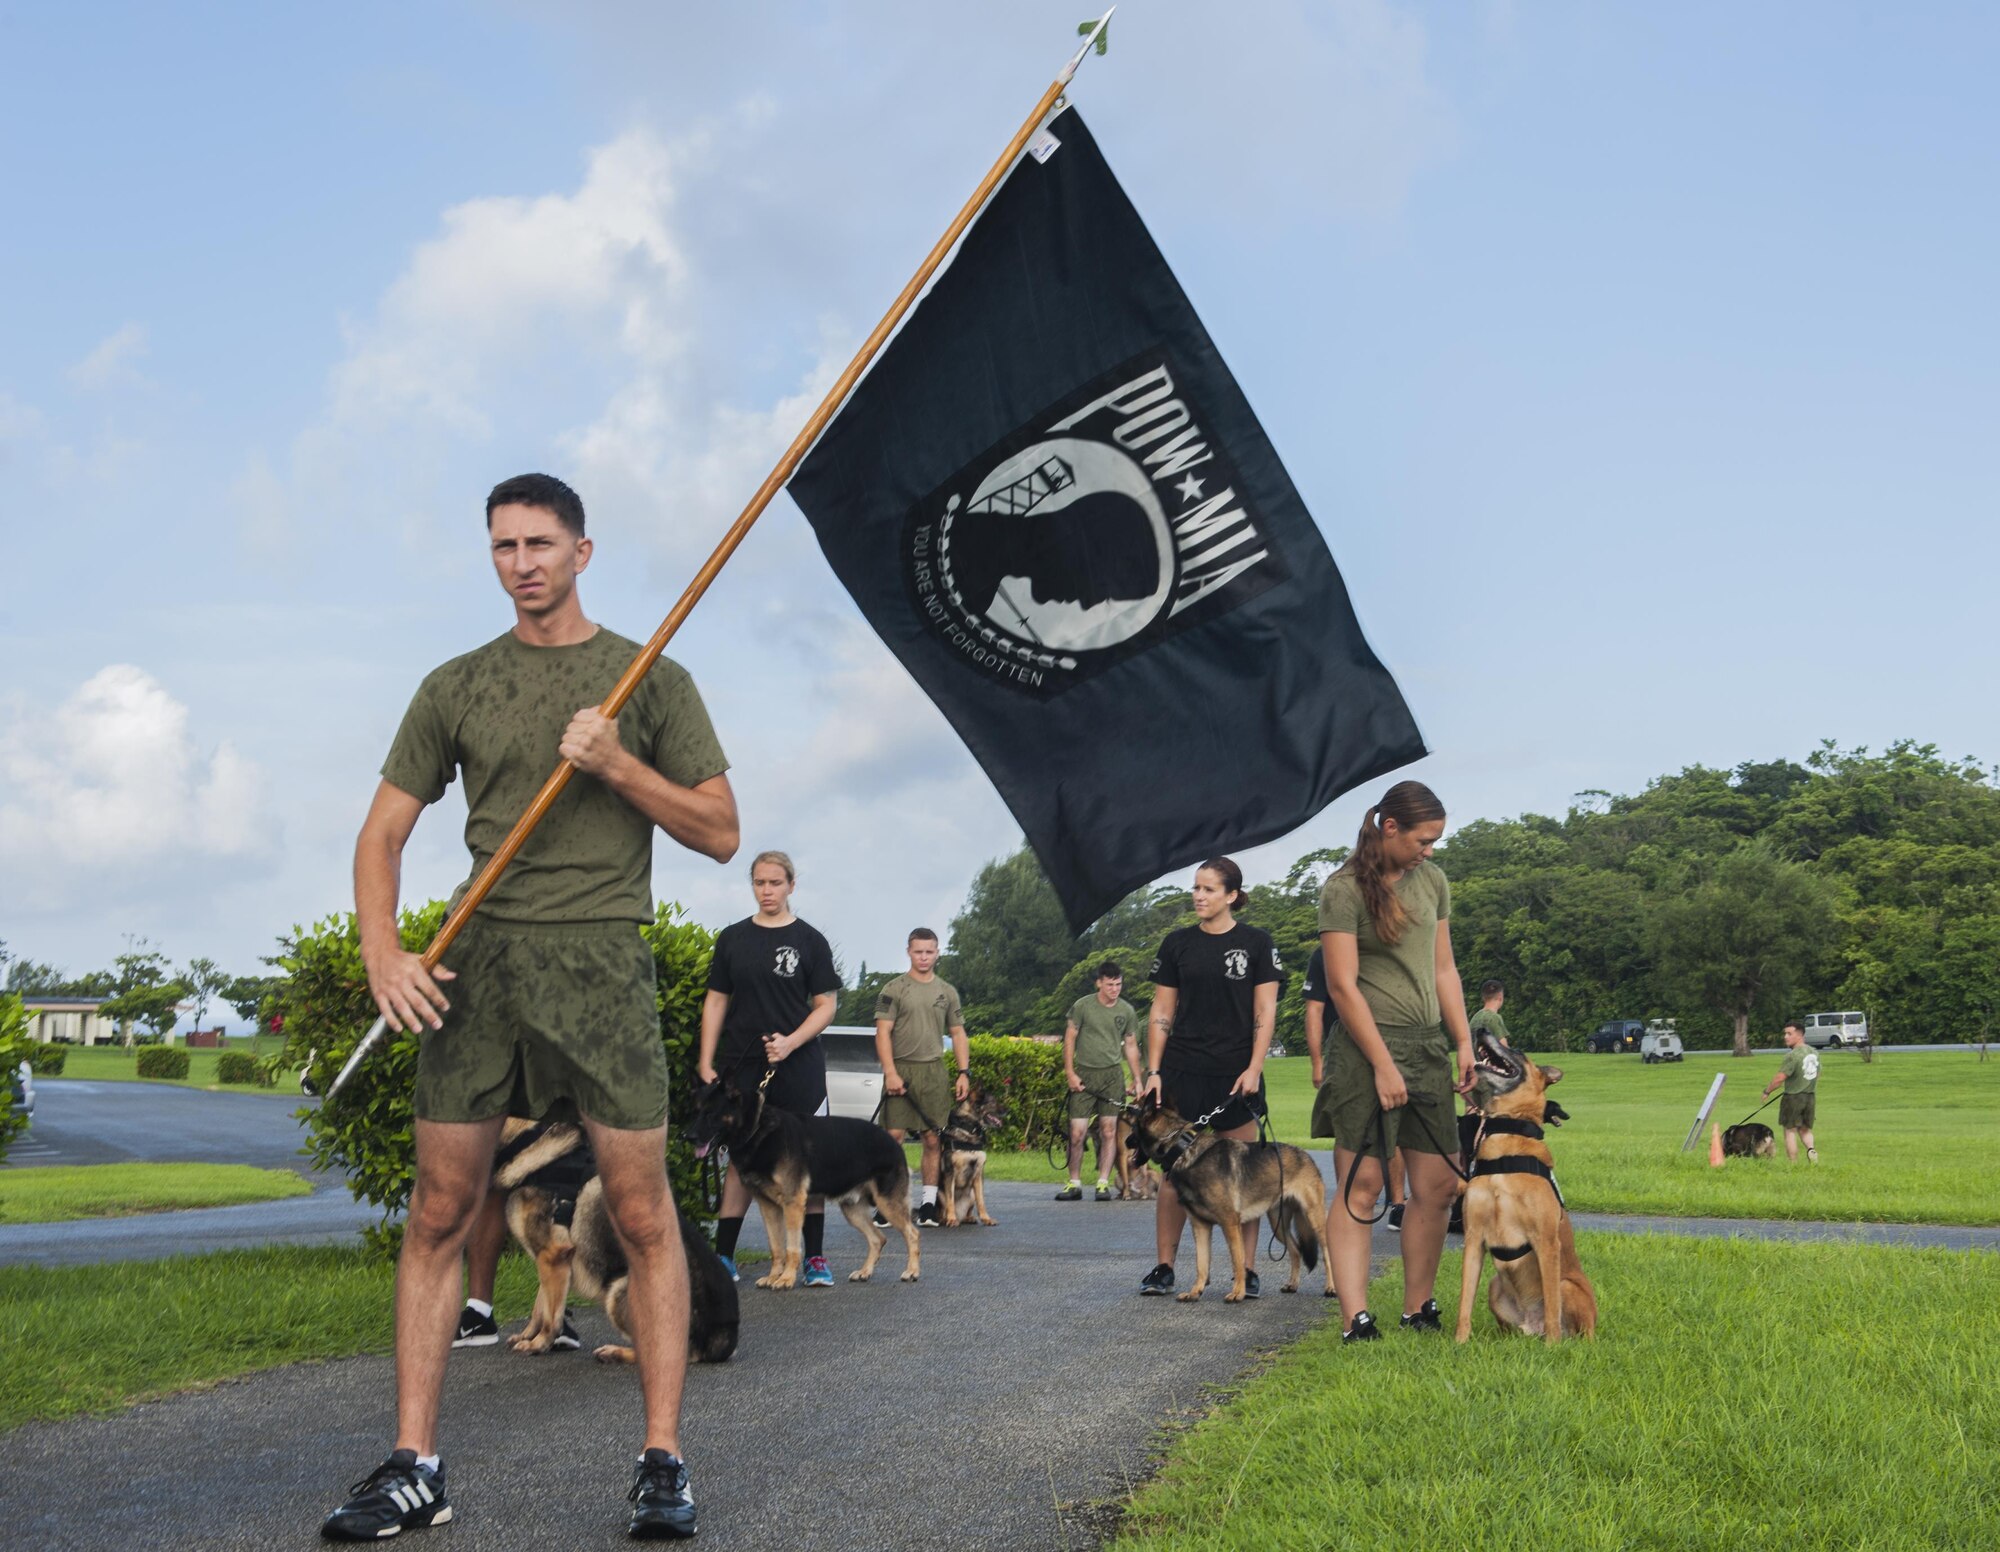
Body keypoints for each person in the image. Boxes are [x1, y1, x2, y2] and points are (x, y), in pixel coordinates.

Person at [325, 473, 738, 1543]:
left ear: (582, 553)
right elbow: (380, 834)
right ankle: (414, 1464)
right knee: (437, 1210)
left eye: (541, 543)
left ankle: (661, 1460)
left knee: (643, 1215)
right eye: (504, 545)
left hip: (603, 958)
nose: (522, 562)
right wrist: (384, 950)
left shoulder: (647, 677)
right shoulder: (455, 683)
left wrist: (615, 763)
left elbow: (719, 830)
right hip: (481, 964)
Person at [1317, 781, 1477, 1342]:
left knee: (1435, 1186)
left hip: (1427, 1044)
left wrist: (1461, 1041)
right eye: (1423, 839)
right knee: (1362, 1185)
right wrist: (1384, 1065)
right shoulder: (1343, 890)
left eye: (1435, 841)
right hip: (1365, 1052)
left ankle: (1418, 1308)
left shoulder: (1433, 881)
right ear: (1390, 829)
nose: (1429, 850)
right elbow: (1341, 986)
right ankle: (1355, 1318)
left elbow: (1444, 969)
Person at [1136, 858, 1282, 1298]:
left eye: (1209, 889)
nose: (1198, 895)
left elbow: (1265, 1011)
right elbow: (1161, 1012)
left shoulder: (1256, 943)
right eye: (1196, 888)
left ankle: (1248, 1271)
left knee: (1245, 1174)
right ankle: (1164, 1267)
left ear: (1232, 895)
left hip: (1237, 1072)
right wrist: (1154, 1071)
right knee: (1174, 1172)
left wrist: (1255, 1066)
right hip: (1183, 1072)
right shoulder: (1177, 944)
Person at [697, 850, 841, 1283]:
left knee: (805, 1160)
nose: (767, 891)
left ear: (791, 886)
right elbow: (716, 1001)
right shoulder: (733, 939)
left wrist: (791, 1042)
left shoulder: (810, 941)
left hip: (798, 1067)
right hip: (741, 1067)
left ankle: (814, 1259)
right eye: (760, 883)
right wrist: (706, 1062)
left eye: (775, 883)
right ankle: (724, 1257)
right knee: (741, 1161)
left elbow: (826, 1006)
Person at [1304, 944, 1407, 1232]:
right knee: (1346, 1127)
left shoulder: (1386, 946)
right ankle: (1346, 1198)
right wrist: (1317, 1060)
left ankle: (1397, 1204)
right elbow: (1314, 1007)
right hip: (1344, 1051)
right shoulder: (1324, 952)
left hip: (1390, 1042)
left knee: (1394, 1124)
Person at [873, 929, 971, 1228]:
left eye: (929, 952)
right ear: (909, 952)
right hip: (901, 1068)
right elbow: (882, 1032)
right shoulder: (894, 988)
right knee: (894, 1139)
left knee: (932, 1138)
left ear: (937, 952)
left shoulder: (947, 991)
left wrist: (964, 1072)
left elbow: (957, 1033)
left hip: (934, 1071)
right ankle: (889, 1202)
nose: (924, 957)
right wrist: (890, 1072)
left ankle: (928, 1205)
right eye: (918, 952)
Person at [1059, 961, 1141, 1202]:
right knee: (1077, 1133)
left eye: (1118, 984)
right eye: (1110, 984)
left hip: (1112, 1075)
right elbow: (1070, 1038)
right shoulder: (1082, 1006)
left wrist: (1137, 1079)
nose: (1115, 989)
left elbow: (1132, 1045)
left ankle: (1103, 1183)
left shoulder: (1127, 1011)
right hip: (1084, 1073)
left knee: (1109, 1131)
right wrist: (1070, 1072)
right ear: (1099, 983)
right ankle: (1073, 1183)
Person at [1762, 1020, 1820, 1162]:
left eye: (1789, 1033)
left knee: (1790, 1130)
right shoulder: (1814, 1053)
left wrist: (1767, 1091)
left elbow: (1780, 1078)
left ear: (1799, 1035)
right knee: (1805, 1129)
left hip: (1793, 1098)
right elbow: (1817, 1074)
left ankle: (1793, 1163)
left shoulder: (1792, 1055)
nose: (1785, 1037)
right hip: (1810, 1097)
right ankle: (1811, 1150)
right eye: (1785, 1034)